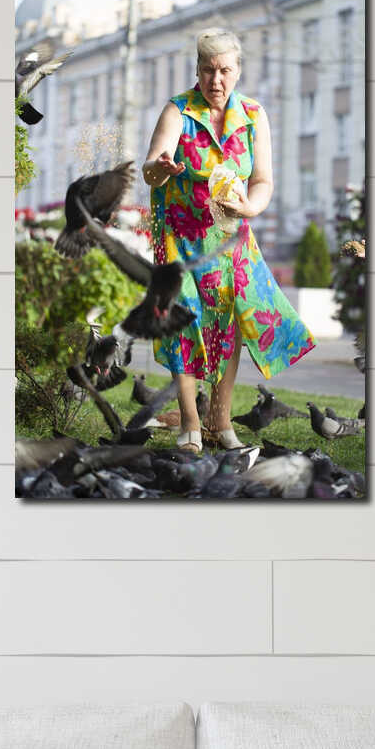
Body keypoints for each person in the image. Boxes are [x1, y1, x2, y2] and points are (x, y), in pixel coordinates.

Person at [141, 27, 316, 452]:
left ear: (237, 71)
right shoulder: (177, 111)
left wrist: (251, 208)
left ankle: (221, 421)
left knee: (228, 324)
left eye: (224, 70)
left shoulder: (254, 115)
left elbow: (262, 181)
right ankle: (190, 422)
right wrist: (162, 167)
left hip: (227, 236)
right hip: (179, 237)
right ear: (197, 71)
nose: (215, 80)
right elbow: (150, 166)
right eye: (207, 70)